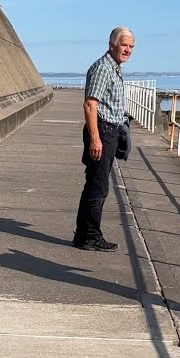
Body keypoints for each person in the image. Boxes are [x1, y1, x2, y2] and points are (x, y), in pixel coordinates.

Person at [73, 26, 135, 252]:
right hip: (102, 131)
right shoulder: (103, 68)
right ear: (112, 45)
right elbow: (90, 104)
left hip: (110, 131)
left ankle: (84, 234)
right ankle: (89, 236)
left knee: (97, 184)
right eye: (124, 45)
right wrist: (95, 139)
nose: (128, 50)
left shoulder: (114, 68)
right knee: (97, 186)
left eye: (131, 46)